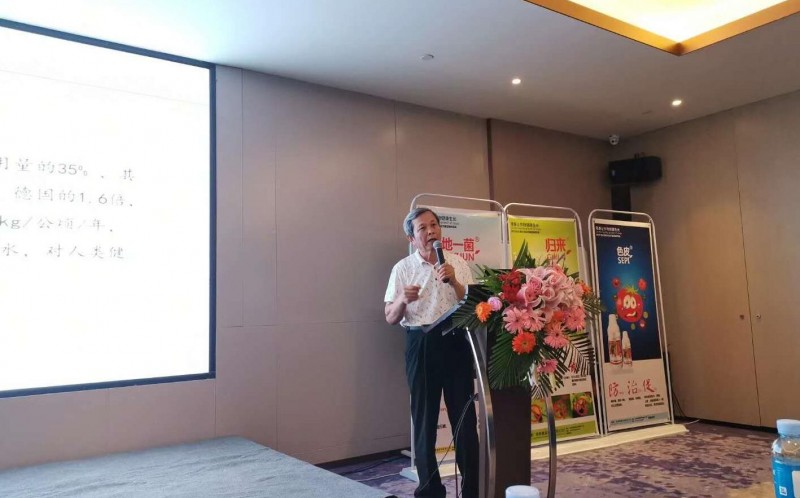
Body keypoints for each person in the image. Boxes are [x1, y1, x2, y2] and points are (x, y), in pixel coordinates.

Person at [384, 207, 479, 498]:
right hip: (421, 343)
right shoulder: (402, 268)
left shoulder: (457, 263)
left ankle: (472, 489)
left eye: (434, 225)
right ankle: (430, 490)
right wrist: (402, 299)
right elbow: (390, 316)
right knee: (424, 420)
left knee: (465, 419)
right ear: (412, 238)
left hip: (456, 342)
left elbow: (473, 305)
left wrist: (455, 281)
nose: (431, 231)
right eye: (422, 228)